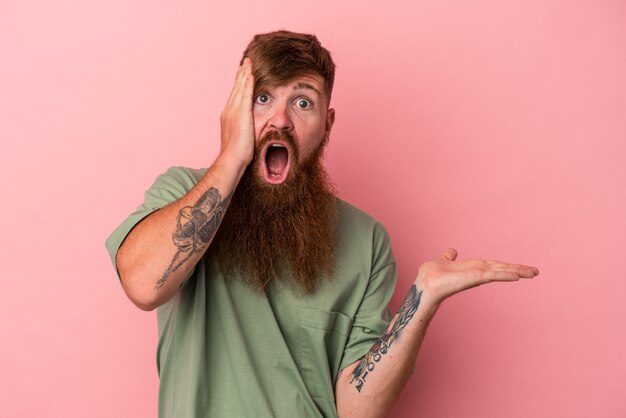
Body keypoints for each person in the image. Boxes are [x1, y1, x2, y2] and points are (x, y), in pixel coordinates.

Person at [106, 30, 539, 418]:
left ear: (327, 126)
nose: (280, 120)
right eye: (262, 98)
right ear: (233, 111)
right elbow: (144, 286)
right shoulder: (183, 193)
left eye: (302, 102)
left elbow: (356, 410)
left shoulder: (366, 239)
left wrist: (419, 304)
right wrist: (233, 157)